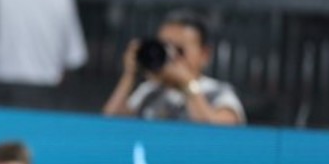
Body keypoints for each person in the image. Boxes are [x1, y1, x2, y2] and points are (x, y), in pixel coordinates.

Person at [102, 10, 246, 125]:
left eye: (179, 50)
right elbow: (110, 126)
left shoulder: (219, 93)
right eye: (165, 48)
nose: (171, 58)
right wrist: (129, 75)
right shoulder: (150, 91)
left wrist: (188, 85)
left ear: (204, 54)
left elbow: (218, 137)